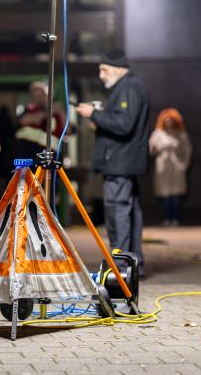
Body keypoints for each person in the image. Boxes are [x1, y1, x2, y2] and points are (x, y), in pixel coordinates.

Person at [76, 48, 149, 277]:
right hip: (123, 162)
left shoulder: (129, 87)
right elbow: (122, 121)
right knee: (129, 214)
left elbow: (124, 124)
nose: (101, 75)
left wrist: (94, 115)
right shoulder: (129, 87)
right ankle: (131, 266)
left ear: (119, 69)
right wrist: (100, 119)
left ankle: (121, 268)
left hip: (120, 162)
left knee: (118, 213)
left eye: (104, 70)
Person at [149, 108, 192, 226]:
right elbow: (151, 150)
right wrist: (160, 146)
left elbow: (187, 151)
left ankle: (175, 218)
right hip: (163, 168)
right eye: (166, 120)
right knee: (165, 195)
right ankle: (167, 218)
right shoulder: (158, 133)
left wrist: (184, 165)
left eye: (171, 120)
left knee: (176, 195)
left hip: (176, 168)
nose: (168, 122)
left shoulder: (181, 134)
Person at [14, 81, 66, 158]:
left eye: (42, 95)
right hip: (29, 151)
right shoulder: (28, 109)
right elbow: (24, 121)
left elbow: (67, 129)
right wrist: (46, 113)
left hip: (51, 152)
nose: (39, 99)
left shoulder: (57, 111)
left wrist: (60, 112)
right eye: (35, 96)